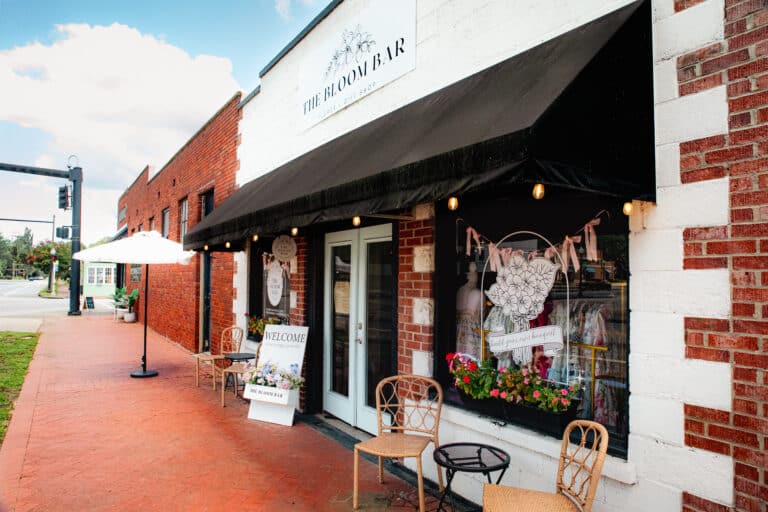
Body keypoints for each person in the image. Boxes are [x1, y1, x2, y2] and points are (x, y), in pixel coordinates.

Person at [456, 262, 482, 357]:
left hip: (463, 325)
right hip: (471, 325)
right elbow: (479, 315)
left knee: (465, 350)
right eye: (474, 275)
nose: (476, 277)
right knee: (470, 349)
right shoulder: (477, 292)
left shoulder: (461, 290)